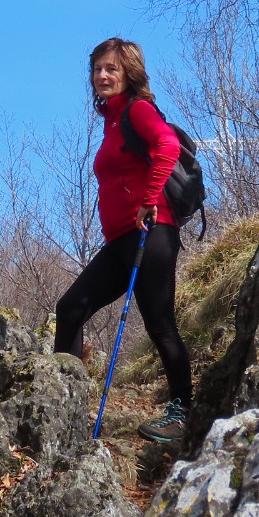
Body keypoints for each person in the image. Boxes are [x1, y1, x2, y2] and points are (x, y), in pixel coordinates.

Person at [54, 37, 195, 444]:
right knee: (70, 308)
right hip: (119, 239)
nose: (102, 75)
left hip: (152, 233)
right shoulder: (112, 120)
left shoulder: (138, 110)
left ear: (128, 73)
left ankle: (181, 414)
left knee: (159, 322)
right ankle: (64, 404)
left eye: (111, 68)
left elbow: (167, 145)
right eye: (97, 69)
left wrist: (150, 199)